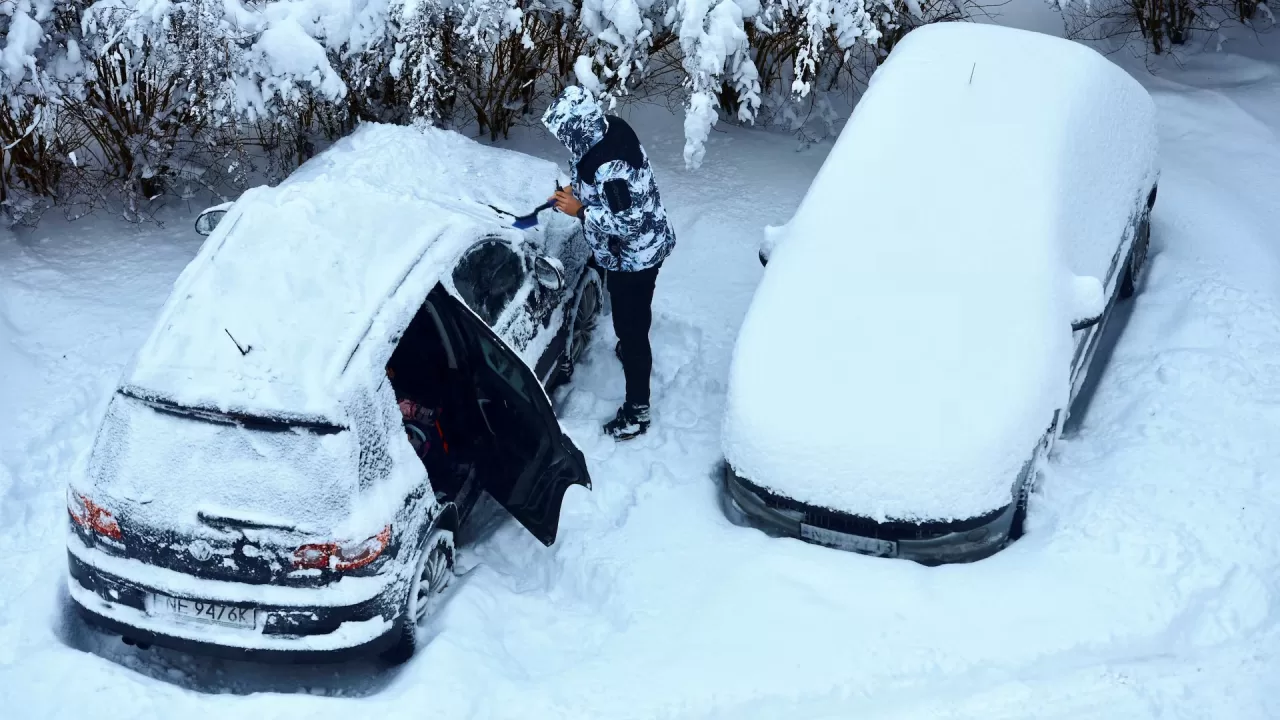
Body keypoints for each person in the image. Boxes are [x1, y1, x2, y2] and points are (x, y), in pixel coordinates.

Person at [542, 86, 676, 441]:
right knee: (629, 319)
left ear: (577, 128)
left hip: (636, 258)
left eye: (564, 133)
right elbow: (593, 175)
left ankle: (637, 411)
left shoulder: (612, 167)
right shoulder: (605, 129)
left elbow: (628, 221)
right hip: (627, 252)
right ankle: (629, 347)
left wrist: (581, 210)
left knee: (633, 329)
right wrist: (574, 192)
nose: (563, 140)